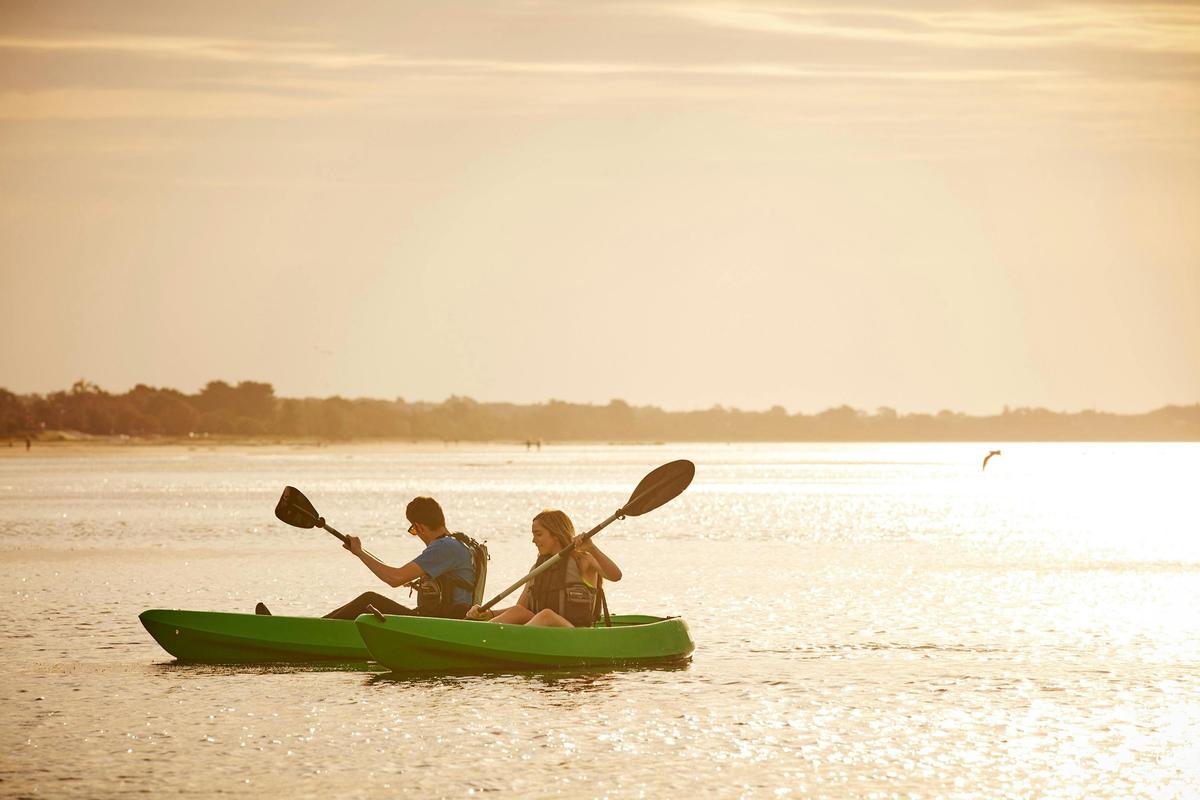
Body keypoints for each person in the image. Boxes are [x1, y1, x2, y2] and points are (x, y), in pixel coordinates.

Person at [256, 496, 479, 620]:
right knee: (371, 612)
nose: (416, 535)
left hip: (440, 624)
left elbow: (394, 578)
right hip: (441, 618)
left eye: (413, 530)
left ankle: (307, 632)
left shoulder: (443, 547)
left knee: (369, 600)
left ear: (419, 527)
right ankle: (314, 628)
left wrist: (359, 553)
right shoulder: (460, 544)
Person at [466, 509, 621, 627]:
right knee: (518, 612)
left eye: (538, 534)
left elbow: (615, 575)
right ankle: (481, 633)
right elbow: (521, 607)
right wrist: (489, 613)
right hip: (542, 632)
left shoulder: (583, 559)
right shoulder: (538, 568)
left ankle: (509, 641)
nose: (533, 540)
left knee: (546, 615)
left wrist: (592, 548)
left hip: (574, 633)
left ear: (556, 535)